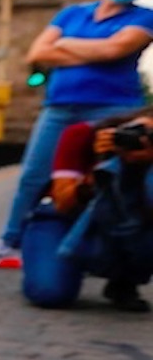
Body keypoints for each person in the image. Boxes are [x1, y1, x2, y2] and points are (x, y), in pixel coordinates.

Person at [0, 0, 153, 269]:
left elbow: (114, 49)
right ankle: (10, 242)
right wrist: (91, 51)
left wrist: (65, 44)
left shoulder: (144, 18)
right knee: (33, 176)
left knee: (108, 180)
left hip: (114, 110)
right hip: (59, 107)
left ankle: (104, 250)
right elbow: (37, 53)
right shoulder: (71, 14)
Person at [35, 113, 153, 310]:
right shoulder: (82, 135)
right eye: (137, 131)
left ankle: (124, 279)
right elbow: (63, 204)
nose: (141, 140)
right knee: (51, 292)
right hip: (63, 218)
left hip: (124, 219)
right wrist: (102, 165)